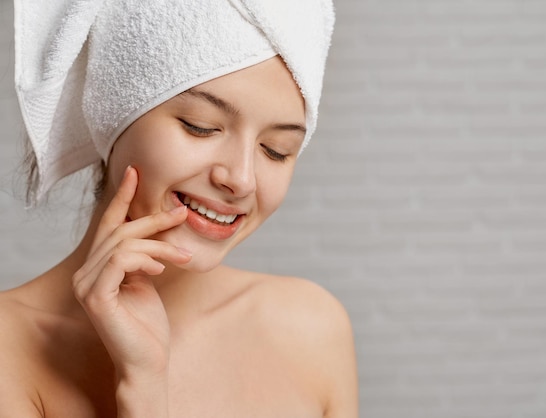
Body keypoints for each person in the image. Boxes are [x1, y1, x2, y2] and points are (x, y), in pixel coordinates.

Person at [0, 0, 358, 416]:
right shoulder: (9, 349)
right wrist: (143, 384)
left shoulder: (310, 327)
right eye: (201, 127)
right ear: (113, 115)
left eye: (276, 151)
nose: (241, 179)